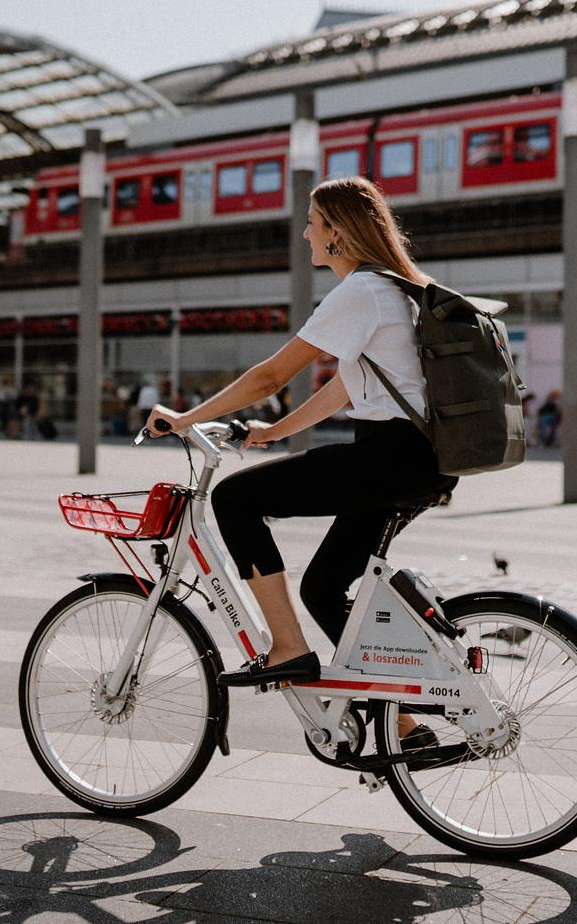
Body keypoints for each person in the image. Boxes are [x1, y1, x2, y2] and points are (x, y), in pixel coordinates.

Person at [148, 176, 455, 747]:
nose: (306, 232)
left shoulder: (361, 292)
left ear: (337, 232)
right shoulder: (398, 288)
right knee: (323, 589)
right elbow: (346, 388)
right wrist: (274, 431)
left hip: (390, 457)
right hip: (421, 460)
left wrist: (186, 418)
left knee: (236, 499)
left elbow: (271, 374)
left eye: (313, 222)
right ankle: (406, 726)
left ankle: (288, 649)